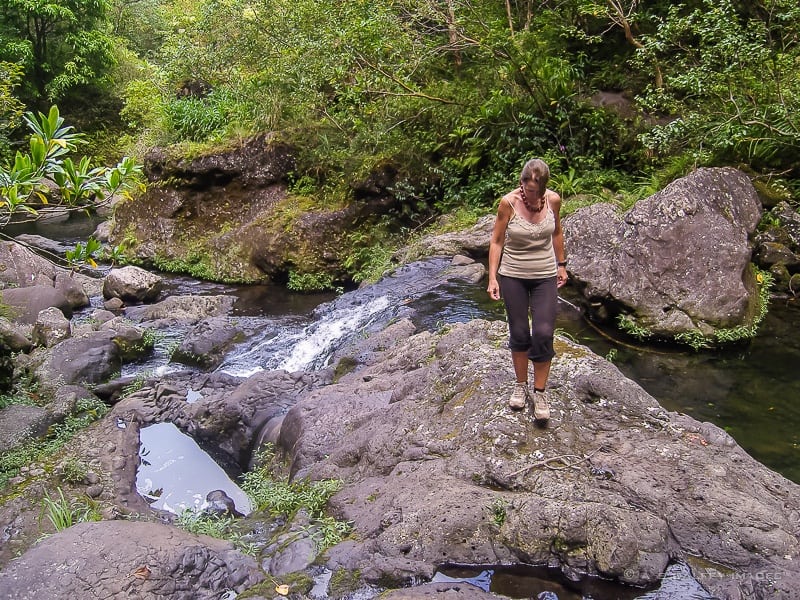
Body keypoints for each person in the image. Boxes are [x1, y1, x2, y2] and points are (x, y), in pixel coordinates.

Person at [486, 158, 568, 421]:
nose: (530, 193)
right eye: (527, 187)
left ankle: (540, 391)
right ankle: (520, 385)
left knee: (543, 332)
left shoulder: (553, 200)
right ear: (521, 182)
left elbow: (556, 233)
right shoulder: (507, 203)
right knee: (520, 332)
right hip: (513, 275)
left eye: (536, 189)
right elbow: (497, 241)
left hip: (544, 274)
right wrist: (492, 277)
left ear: (544, 187)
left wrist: (562, 264)